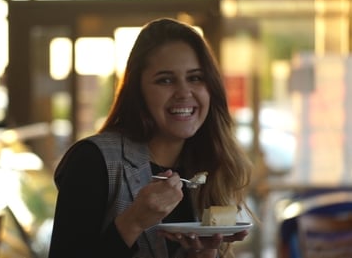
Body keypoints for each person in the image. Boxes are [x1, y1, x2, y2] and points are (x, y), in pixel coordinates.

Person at [48, 18, 253, 258]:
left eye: (195, 78)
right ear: (138, 90)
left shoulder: (210, 168)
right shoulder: (92, 160)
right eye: (165, 80)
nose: (184, 92)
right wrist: (133, 222)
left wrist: (204, 253)